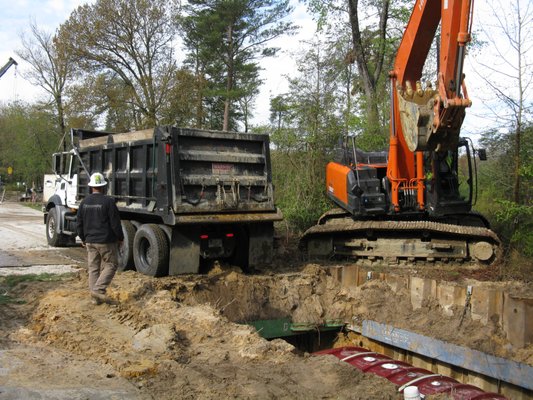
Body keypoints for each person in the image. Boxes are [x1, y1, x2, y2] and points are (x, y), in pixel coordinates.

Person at [77, 172, 124, 305]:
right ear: (104, 186)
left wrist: (83, 238)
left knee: (93, 268)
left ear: (91, 187)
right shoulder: (108, 202)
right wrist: (120, 238)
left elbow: (79, 223)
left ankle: (94, 299)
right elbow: (115, 223)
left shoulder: (84, 202)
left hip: (90, 241)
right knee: (112, 264)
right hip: (105, 241)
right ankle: (98, 290)